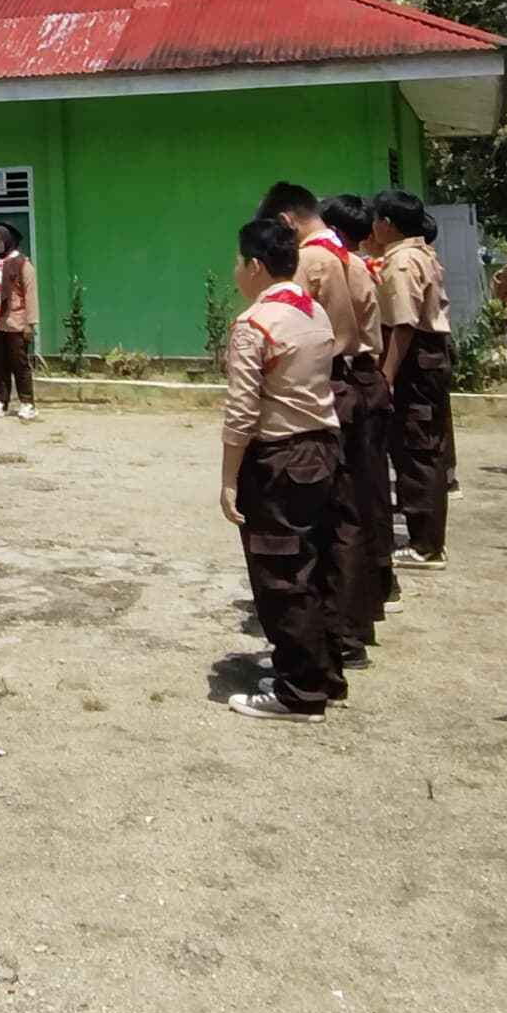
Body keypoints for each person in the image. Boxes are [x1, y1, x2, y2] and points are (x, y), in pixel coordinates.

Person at [220, 219, 345, 721]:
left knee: (280, 574)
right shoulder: (313, 312)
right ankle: (323, 672)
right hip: (323, 448)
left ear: (255, 266)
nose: (235, 272)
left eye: (238, 262)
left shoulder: (255, 324)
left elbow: (241, 411)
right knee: (317, 564)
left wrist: (228, 479)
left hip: (278, 457)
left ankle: (298, 692)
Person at [264, 182, 381, 667]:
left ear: (286, 222)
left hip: (327, 386)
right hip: (354, 380)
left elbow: (310, 335)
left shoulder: (312, 260)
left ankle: (335, 635)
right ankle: (352, 623)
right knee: (353, 512)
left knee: (329, 519)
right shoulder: (343, 254)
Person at [319, 194, 399, 621]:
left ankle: (361, 595)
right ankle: (377, 583)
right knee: (370, 488)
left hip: (352, 376)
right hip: (365, 376)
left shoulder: (338, 266)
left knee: (353, 494)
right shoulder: (358, 265)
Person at [370, 190, 453, 574]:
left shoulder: (402, 261)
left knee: (416, 447)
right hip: (426, 355)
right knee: (420, 445)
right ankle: (426, 537)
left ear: (386, 223)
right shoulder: (420, 253)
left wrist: (387, 375)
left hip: (415, 358)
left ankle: (426, 545)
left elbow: (403, 324)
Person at [0, 223, 39, 421]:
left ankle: (27, 403)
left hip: (16, 322)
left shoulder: (22, 264)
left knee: (19, 363)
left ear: (9, 240)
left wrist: (30, 323)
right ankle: (1, 401)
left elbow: (30, 294)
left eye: (1, 240)